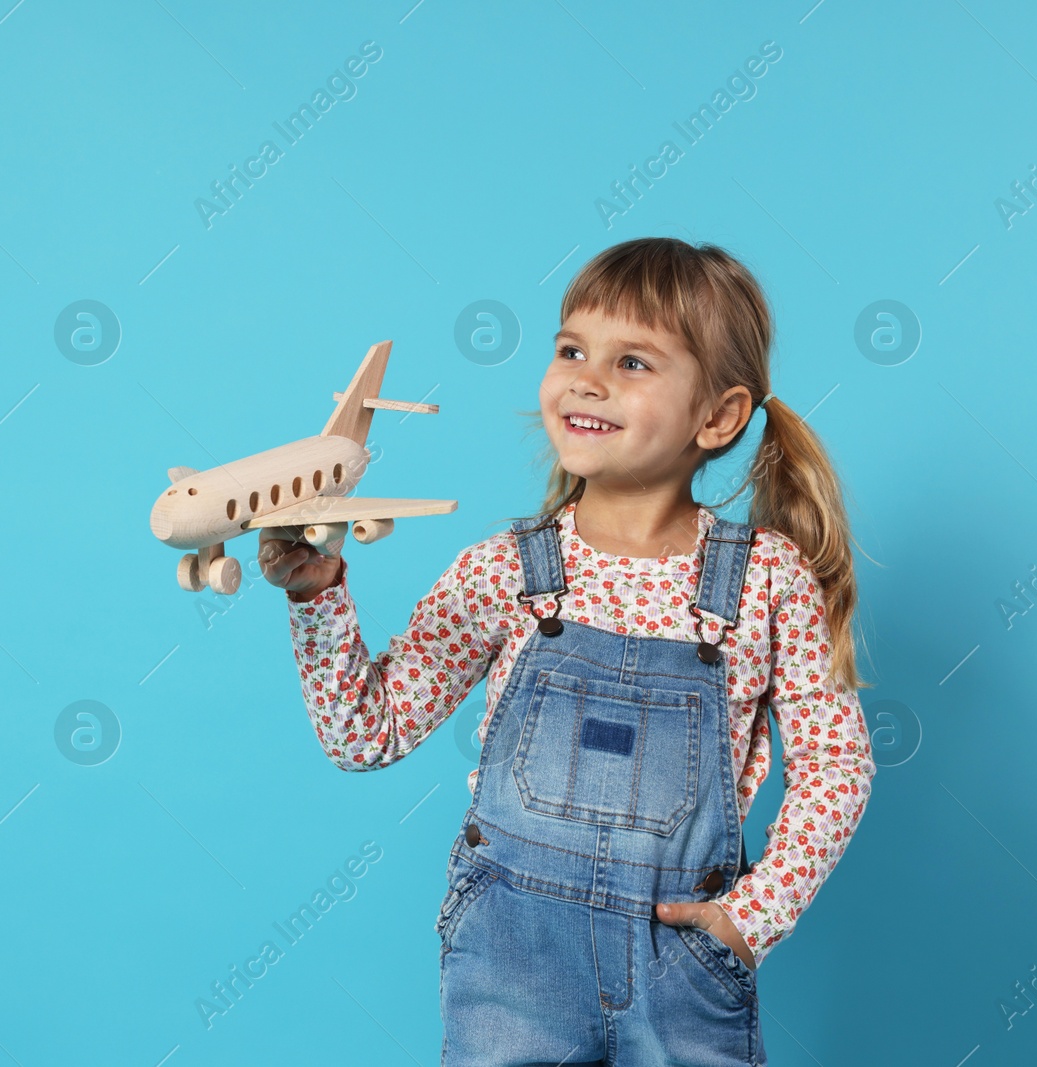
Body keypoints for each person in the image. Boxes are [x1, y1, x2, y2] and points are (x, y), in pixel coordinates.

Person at [259, 237, 876, 1065]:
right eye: (572, 349)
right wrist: (316, 593)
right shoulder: (503, 572)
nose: (587, 377)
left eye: (633, 362)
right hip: (512, 962)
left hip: (682, 968)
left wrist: (749, 916)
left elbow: (838, 764)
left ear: (718, 417)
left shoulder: (766, 580)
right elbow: (365, 733)